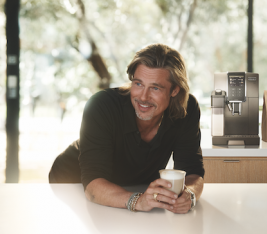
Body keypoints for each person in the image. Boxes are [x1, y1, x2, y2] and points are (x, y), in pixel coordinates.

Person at [49, 43, 205, 214]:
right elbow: (93, 186)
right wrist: (138, 201)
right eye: (138, 84)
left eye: (155, 88)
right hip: (74, 182)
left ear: (175, 90)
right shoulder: (102, 105)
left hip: (130, 187)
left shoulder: (186, 108)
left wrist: (189, 195)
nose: (143, 97)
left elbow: (193, 172)